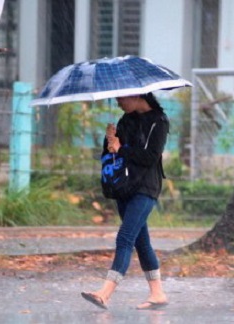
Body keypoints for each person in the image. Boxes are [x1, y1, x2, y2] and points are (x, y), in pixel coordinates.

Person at [81, 93, 169, 310]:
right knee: (141, 242)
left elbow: (150, 157)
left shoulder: (159, 121)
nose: (118, 102)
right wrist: (109, 139)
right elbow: (114, 153)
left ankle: (105, 293)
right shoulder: (125, 120)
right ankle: (158, 293)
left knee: (125, 237)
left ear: (136, 95)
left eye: (121, 98)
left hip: (146, 188)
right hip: (124, 186)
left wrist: (122, 148)